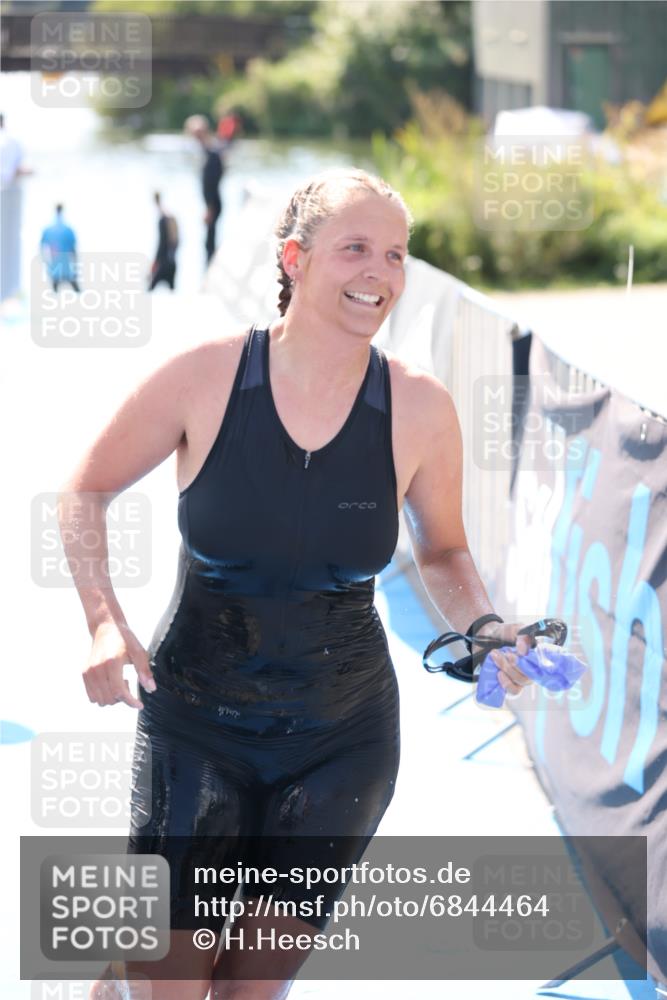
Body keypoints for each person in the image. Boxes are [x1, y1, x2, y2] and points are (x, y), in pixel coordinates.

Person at [58, 167, 538, 1000]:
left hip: (340, 739)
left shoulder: (419, 408)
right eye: (355, 248)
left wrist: (485, 627)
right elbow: (84, 491)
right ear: (295, 257)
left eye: (395, 255)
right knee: (167, 989)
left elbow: (444, 553)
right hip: (196, 726)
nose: (379, 274)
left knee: (250, 992)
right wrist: (103, 621)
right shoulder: (206, 377)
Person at [184, 113, 226, 265]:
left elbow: (211, 182)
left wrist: (209, 207)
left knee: (209, 243)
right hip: (212, 203)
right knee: (209, 241)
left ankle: (210, 268)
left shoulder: (212, 153)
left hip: (213, 204)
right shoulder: (209, 151)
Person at [40, 203, 80, 293]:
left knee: (55, 294)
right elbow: (73, 251)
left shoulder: (48, 230)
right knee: (77, 291)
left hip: (55, 267)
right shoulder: (68, 229)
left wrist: (47, 264)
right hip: (65, 267)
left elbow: (42, 249)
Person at [148, 191, 179, 291]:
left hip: (163, 263)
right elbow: (176, 242)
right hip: (172, 263)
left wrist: (156, 262)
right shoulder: (171, 218)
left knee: (149, 290)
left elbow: (162, 244)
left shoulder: (162, 220)